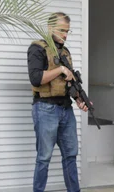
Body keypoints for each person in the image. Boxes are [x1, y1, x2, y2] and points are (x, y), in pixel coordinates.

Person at [27, 12, 88, 192]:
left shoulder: (65, 52)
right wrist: (60, 69)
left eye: (67, 31)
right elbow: (36, 78)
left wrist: (79, 99)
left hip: (66, 110)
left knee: (70, 155)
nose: (65, 35)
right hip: (45, 108)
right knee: (44, 157)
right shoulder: (37, 48)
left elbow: (68, 83)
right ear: (50, 28)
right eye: (62, 30)